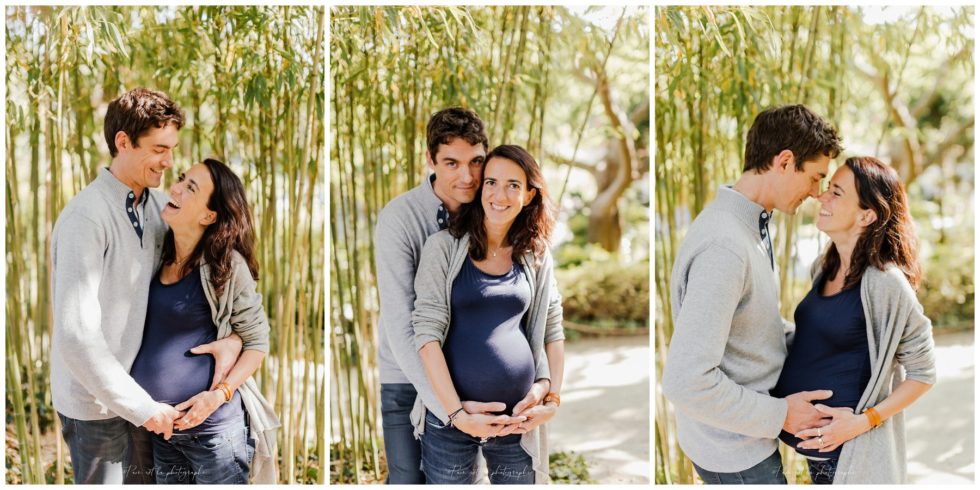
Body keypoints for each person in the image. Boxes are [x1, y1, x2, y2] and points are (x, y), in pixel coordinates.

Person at [50, 88, 243, 484]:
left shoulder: (157, 209)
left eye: (171, 149)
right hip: (97, 409)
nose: (169, 162)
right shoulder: (86, 218)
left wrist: (235, 338)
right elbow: (75, 335)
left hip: (144, 404)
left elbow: (204, 276)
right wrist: (142, 407)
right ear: (123, 142)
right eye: (159, 149)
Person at [661, 104, 844, 484]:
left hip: (741, 441)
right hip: (736, 454)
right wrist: (782, 416)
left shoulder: (750, 226)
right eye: (814, 178)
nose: (816, 193)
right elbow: (685, 381)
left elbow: (745, 324)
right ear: (784, 161)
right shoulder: (725, 247)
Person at [374, 108, 557, 483]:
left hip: (496, 406)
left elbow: (539, 316)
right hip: (407, 378)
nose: (467, 176)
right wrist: (450, 408)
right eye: (452, 163)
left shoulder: (493, 205)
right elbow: (405, 324)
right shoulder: (401, 219)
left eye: (476, 162)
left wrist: (546, 389)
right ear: (430, 160)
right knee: (408, 480)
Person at [771, 156, 935, 484]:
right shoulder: (824, 266)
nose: (821, 197)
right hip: (815, 452)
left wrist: (864, 421)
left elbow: (923, 374)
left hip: (851, 456)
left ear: (867, 215)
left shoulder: (886, 283)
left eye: (836, 192)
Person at [412, 144, 565, 484]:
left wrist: (551, 397)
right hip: (451, 421)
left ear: (528, 195)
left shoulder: (535, 254)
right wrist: (457, 414)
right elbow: (426, 336)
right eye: (491, 182)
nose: (500, 194)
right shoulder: (443, 247)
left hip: (518, 420)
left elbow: (553, 328)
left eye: (513, 185)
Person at [128, 158, 281, 483]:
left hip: (213, 436)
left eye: (190, 187)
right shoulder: (158, 251)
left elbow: (257, 342)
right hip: (165, 431)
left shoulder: (226, 267)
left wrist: (219, 395)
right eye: (181, 179)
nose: (176, 187)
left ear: (209, 215)